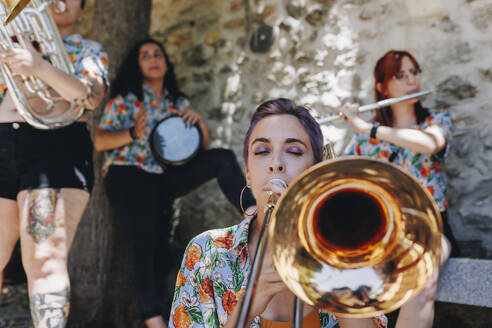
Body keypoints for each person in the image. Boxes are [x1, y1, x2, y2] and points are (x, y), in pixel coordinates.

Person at [169, 98, 387, 328]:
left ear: (315, 172)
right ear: (249, 174)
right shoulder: (206, 252)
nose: (276, 163)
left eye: (293, 151)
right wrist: (247, 308)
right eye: (262, 151)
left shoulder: (348, 249)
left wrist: (337, 262)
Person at [94, 38, 255, 328]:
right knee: (143, 244)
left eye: (158, 54)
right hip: (129, 175)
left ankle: (252, 210)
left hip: (163, 176)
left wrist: (200, 124)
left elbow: (201, 147)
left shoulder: (177, 102)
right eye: (145, 56)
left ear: (166, 63)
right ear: (137, 65)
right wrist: (133, 132)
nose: (153, 59)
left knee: (221, 157)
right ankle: (153, 320)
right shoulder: (126, 100)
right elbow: (100, 140)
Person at [0, 0, 108, 327]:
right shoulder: (11, 40)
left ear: (82, 12)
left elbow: (91, 97)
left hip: (57, 144)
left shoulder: (87, 48)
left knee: (44, 259)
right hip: (4, 142)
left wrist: (39, 67)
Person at [339, 50, 456, 328]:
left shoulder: (438, 121)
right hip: (380, 232)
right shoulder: (363, 140)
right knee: (344, 283)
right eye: (400, 76)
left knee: (423, 276)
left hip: (432, 227)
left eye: (414, 72)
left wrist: (370, 129)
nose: (411, 81)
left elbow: (429, 144)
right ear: (382, 87)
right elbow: (339, 182)